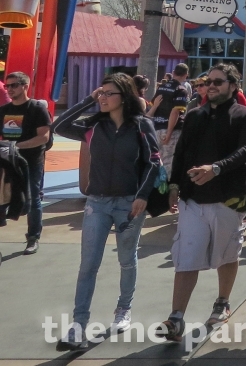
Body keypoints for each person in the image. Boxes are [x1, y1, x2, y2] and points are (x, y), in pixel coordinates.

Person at [52, 73, 160, 350]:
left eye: (108, 93)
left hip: (129, 203)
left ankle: (123, 310)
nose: (102, 98)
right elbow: (59, 125)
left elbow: (153, 163)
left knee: (126, 259)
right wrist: (87, 99)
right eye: (101, 93)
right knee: (88, 264)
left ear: (123, 97)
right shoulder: (92, 126)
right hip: (97, 203)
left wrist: (142, 196)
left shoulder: (141, 125)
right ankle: (78, 325)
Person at [160, 64, 246, 341]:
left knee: (227, 255)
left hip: (229, 199)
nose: (211, 85)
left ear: (233, 86)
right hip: (193, 200)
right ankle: (176, 318)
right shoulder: (193, 116)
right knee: (186, 256)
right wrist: (175, 185)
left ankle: (222, 301)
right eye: (208, 81)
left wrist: (215, 169)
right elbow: (181, 153)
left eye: (218, 81)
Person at [0, 71, 50, 254]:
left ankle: (33, 237)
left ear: (25, 86)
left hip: (31, 162)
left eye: (14, 85)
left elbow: (43, 137)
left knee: (33, 198)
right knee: (2, 198)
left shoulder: (36, 108)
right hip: (7, 162)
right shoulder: (3, 110)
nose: (10, 89)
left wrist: (16, 147)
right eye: (7, 86)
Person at [150, 64, 190, 173]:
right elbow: (175, 111)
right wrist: (169, 133)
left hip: (156, 128)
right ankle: (166, 188)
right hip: (171, 130)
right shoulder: (181, 90)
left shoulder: (161, 87)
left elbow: (154, 104)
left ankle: (155, 188)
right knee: (169, 163)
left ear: (173, 73)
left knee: (156, 161)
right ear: (186, 75)